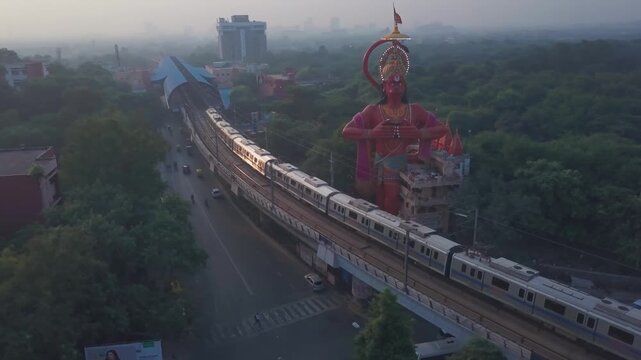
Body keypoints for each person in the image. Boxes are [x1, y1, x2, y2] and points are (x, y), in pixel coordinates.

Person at [342, 42, 446, 215]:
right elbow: (347, 131)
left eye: (400, 82)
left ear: (404, 86)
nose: (396, 84)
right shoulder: (373, 111)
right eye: (392, 81)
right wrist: (371, 133)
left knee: (391, 200)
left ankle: (391, 229)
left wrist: (420, 133)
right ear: (384, 86)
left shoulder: (415, 110)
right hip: (380, 164)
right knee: (379, 198)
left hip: (401, 164)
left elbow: (441, 129)